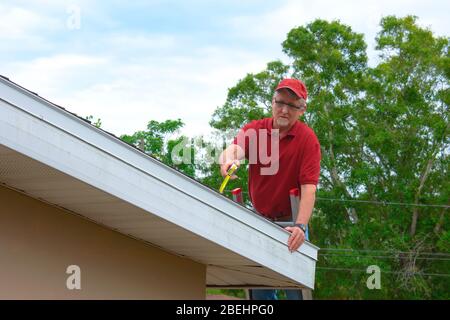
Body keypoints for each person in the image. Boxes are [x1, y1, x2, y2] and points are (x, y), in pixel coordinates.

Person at [218, 78, 321, 300]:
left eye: (292, 105)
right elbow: (234, 149)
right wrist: (227, 161)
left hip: (291, 225)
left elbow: (309, 188)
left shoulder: (307, 140)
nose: (284, 110)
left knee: (295, 291)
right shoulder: (255, 130)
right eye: (279, 102)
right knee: (260, 293)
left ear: (301, 109)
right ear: (272, 102)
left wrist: (301, 227)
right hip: (260, 221)